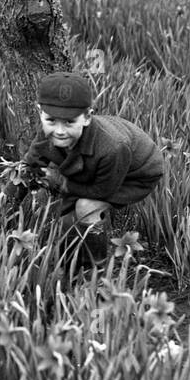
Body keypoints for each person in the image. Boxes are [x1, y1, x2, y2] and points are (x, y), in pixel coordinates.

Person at [21, 72, 166, 264]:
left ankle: (92, 265)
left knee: (86, 206)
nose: (60, 131)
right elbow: (29, 167)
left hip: (134, 175)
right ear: (41, 112)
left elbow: (101, 191)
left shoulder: (113, 147)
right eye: (51, 121)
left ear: (87, 117)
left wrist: (61, 183)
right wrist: (2, 207)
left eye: (70, 122)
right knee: (61, 218)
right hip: (99, 167)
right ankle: (68, 251)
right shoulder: (49, 132)